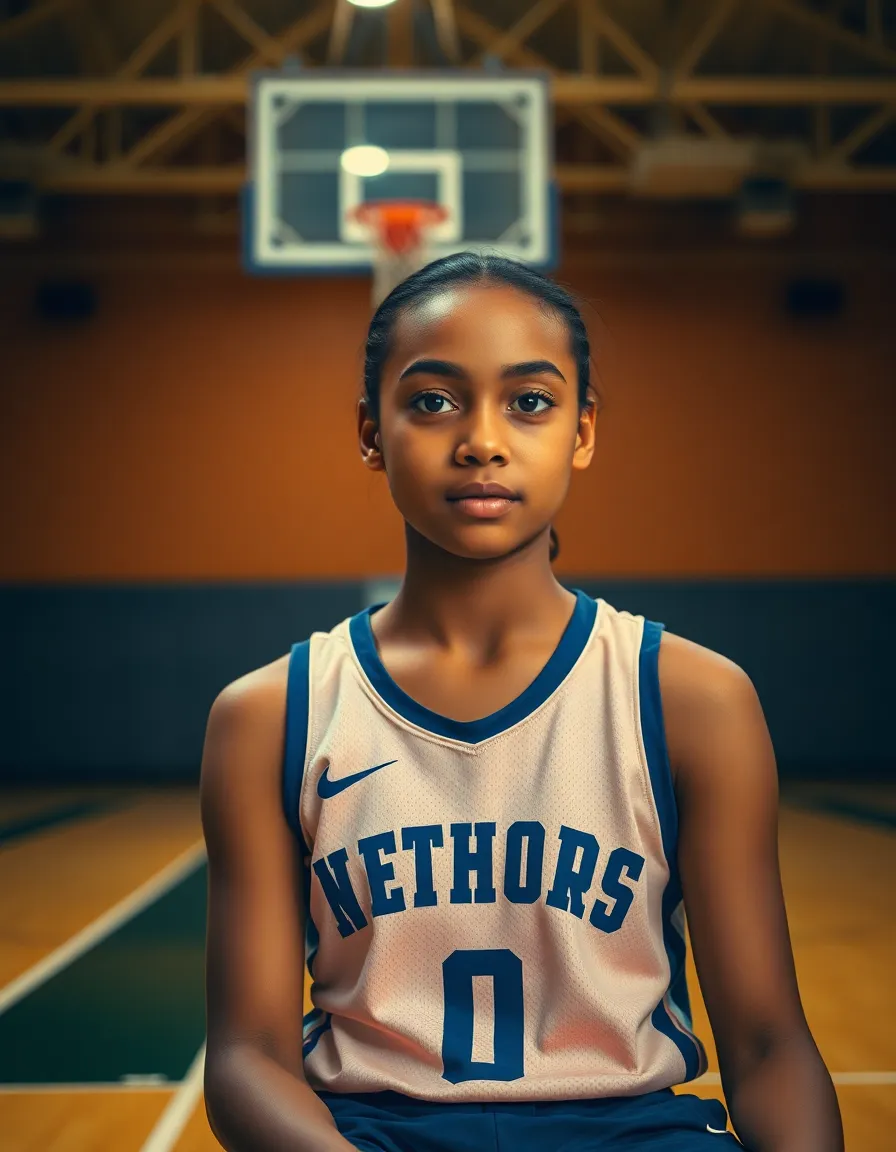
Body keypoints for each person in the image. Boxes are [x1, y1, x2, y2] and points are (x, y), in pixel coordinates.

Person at [199, 254, 843, 1152]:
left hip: (636, 1134)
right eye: (432, 401)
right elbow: (247, 1055)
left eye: (530, 403)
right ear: (369, 432)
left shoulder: (692, 698)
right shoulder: (271, 715)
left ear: (582, 432)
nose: (482, 441)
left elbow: (770, 1045)